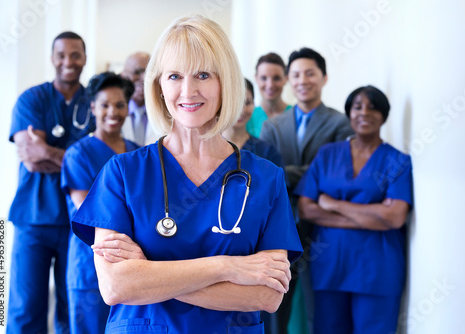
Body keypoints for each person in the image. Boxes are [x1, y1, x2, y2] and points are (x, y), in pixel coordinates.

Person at [71, 15, 303, 333]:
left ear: (227, 82)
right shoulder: (123, 174)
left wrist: (149, 273)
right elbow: (116, 287)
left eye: (203, 74)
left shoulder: (266, 178)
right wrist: (230, 267)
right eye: (175, 76)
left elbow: (267, 294)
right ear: (159, 85)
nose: (188, 90)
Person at [296, 85, 413, 333]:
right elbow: (307, 209)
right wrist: (373, 215)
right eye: (357, 107)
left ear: (383, 115)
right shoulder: (327, 154)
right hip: (331, 265)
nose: (364, 113)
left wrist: (334, 205)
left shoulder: (397, 161)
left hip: (378, 271)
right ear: (349, 113)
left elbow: (394, 217)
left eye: (373, 107)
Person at [260, 47, 354, 334]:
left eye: (310, 73)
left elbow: (334, 177)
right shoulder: (272, 125)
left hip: (323, 228)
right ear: (289, 79)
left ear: (324, 78)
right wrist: (311, 174)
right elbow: (267, 174)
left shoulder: (340, 123)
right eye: (296, 74)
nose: (303, 80)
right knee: (276, 303)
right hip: (282, 225)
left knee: (321, 305)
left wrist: (286, 173)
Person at [7, 31, 94, 334]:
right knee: (25, 307)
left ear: (84, 58)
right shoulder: (32, 99)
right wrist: (74, 159)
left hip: (78, 224)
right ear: (52, 58)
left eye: (75, 55)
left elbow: (94, 166)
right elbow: (32, 159)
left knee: (72, 308)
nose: (68, 61)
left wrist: (48, 152)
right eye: (61, 55)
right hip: (33, 219)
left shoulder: (93, 104)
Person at [61, 72, 139, 333]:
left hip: (135, 268)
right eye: (105, 104)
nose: (113, 112)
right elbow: (89, 214)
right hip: (89, 268)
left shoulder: (139, 154)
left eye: (120, 104)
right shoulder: (78, 154)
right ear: (92, 107)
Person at [222, 78, 283, 167]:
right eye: (235, 103)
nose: (241, 110)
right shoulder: (208, 148)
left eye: (247, 103)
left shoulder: (267, 151)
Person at [246, 52, 290, 138]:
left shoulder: (297, 115)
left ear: (286, 78)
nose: (270, 85)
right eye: (264, 78)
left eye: (276, 78)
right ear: (256, 78)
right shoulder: (246, 116)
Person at [120, 51, 159, 146]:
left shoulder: (166, 112)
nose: (144, 77)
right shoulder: (114, 112)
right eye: (137, 72)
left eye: (149, 72)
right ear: (123, 76)